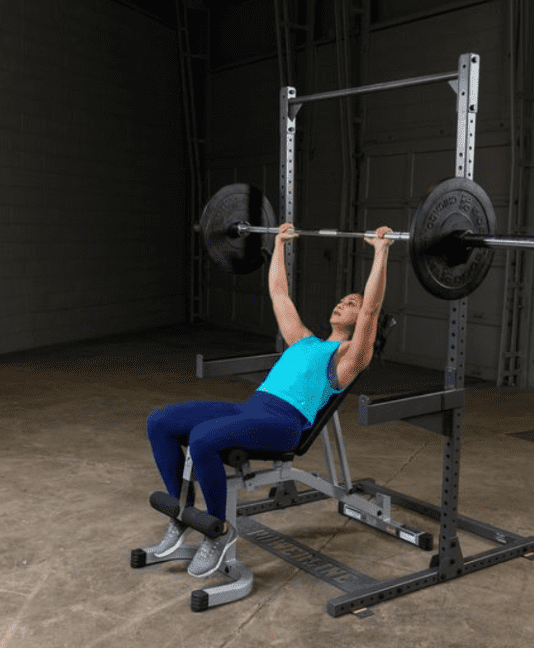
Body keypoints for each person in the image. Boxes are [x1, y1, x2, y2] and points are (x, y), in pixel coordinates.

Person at [145, 222, 394, 578]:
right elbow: (280, 294)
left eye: (350, 303)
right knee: (161, 422)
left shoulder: (349, 358)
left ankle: (218, 533)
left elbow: (372, 310)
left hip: (284, 424)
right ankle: (180, 516)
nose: (343, 303)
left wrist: (381, 253)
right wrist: (278, 244)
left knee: (202, 438)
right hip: (251, 408)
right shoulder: (305, 340)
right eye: (342, 299)